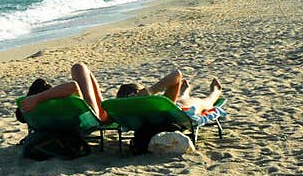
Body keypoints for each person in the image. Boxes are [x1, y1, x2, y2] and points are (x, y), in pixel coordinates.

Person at [17, 63, 223, 121]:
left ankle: (187, 90)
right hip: (99, 114)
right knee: (204, 101)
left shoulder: (36, 111)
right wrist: (148, 92)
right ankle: (214, 92)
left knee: (184, 98)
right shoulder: (49, 100)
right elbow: (74, 87)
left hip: (103, 113)